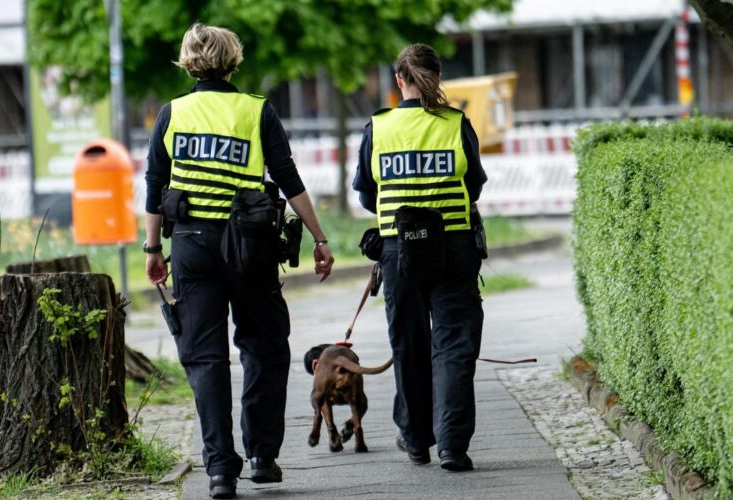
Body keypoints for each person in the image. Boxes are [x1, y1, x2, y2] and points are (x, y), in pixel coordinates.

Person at [144, 23, 335, 499]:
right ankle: (263, 456)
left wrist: (152, 250)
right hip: (249, 245)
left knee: (205, 358)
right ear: (233, 60)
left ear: (188, 61)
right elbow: (288, 178)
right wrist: (319, 238)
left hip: (191, 244)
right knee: (265, 346)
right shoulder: (256, 111)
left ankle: (219, 471)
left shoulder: (172, 114)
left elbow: (153, 185)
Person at [352, 43, 487, 472]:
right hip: (453, 246)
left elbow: (366, 192)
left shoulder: (378, 127)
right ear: (437, 77)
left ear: (398, 81)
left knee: (408, 344)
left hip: (399, 251)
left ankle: (415, 439)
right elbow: (475, 184)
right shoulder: (457, 124)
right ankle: (452, 445)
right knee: (454, 346)